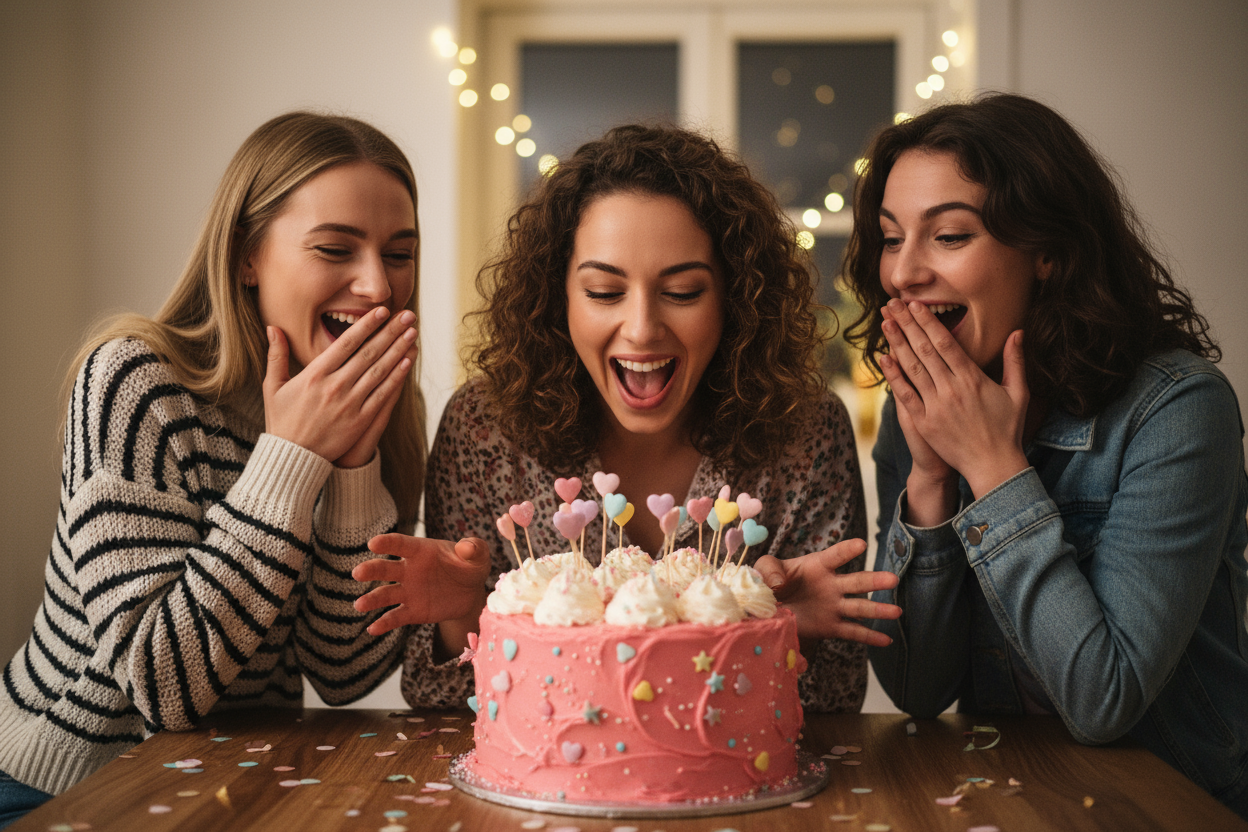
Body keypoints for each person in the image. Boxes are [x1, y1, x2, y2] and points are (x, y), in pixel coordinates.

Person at [353, 123, 902, 715]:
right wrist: (463, 613)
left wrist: (791, 632)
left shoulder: (806, 430)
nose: (642, 328)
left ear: (735, 300)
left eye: (684, 292)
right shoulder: (486, 428)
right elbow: (441, 698)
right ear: (557, 297)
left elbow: (835, 702)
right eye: (604, 292)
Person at [0, 111, 428, 827]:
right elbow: (160, 684)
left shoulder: (384, 408)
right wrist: (292, 458)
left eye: (399, 253)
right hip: (62, 785)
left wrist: (353, 465)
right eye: (335, 248)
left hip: (235, 783)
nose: (378, 287)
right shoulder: (136, 381)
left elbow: (345, 672)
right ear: (245, 257)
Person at [845, 93, 1248, 817]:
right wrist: (932, 480)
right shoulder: (922, 413)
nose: (902, 274)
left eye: (949, 236)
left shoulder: (1178, 411)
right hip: (1009, 801)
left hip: (1176, 806)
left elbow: (1104, 699)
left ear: (1049, 254)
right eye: (890, 237)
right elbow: (917, 687)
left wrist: (994, 469)